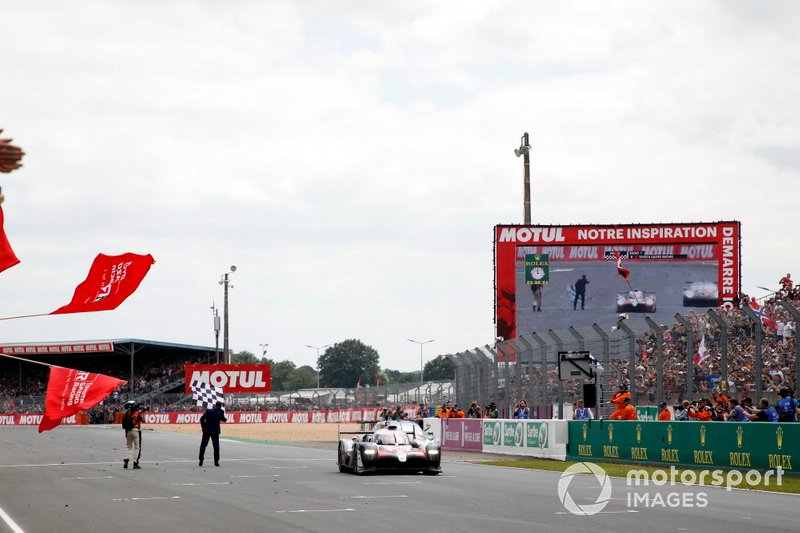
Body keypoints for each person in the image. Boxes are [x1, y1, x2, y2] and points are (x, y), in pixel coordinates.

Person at [199, 401, 228, 467]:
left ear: (215, 405)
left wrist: (203, 427)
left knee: (203, 445)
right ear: (220, 406)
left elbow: (202, 419)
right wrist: (225, 418)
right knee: (216, 447)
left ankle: (201, 460)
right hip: (215, 431)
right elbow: (223, 419)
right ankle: (216, 461)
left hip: (206, 430)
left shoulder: (209, 411)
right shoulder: (221, 412)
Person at [121, 401, 143, 469]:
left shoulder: (127, 413)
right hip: (136, 430)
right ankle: (135, 463)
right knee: (137, 447)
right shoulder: (137, 412)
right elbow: (143, 420)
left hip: (128, 431)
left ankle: (126, 461)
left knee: (128, 446)